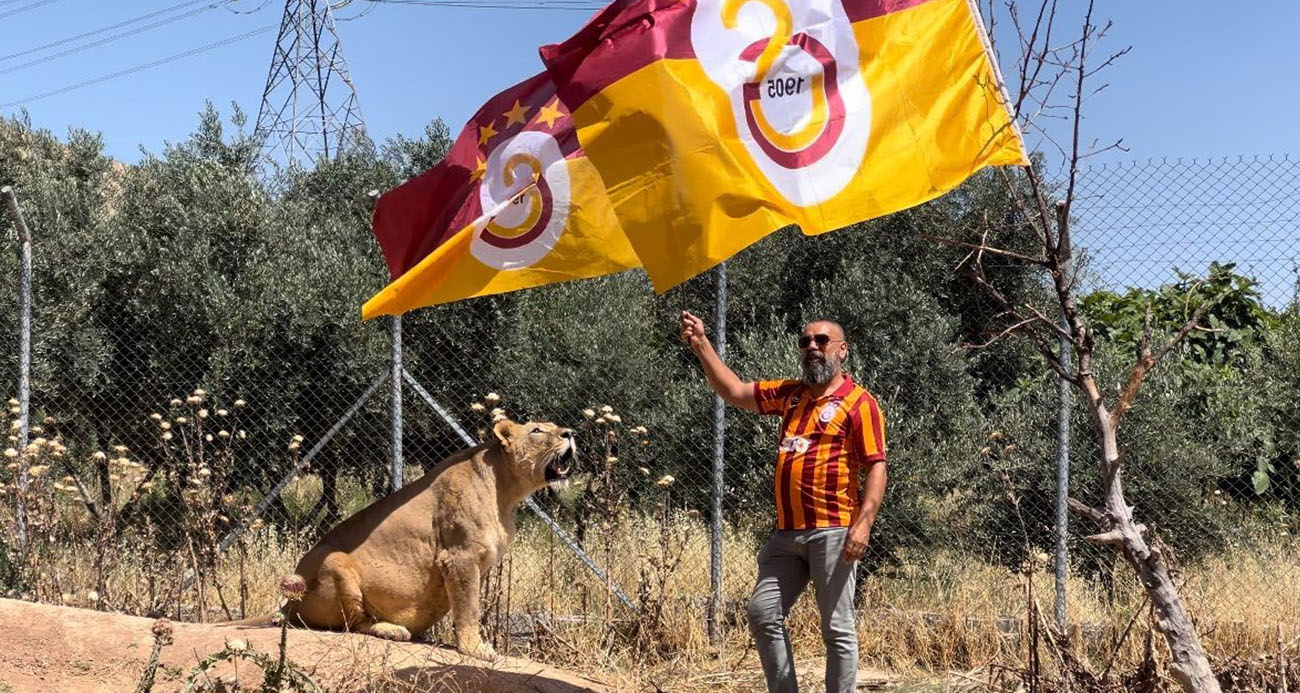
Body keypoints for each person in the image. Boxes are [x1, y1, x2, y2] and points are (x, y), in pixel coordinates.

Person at [679, 310, 887, 693]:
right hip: (787, 535)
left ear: (843, 351)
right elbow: (733, 391)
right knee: (762, 612)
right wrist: (701, 345)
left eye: (822, 341)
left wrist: (864, 524)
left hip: (835, 529)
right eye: (805, 341)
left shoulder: (860, 403)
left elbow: (876, 467)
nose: (812, 347)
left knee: (837, 628)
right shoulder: (790, 395)